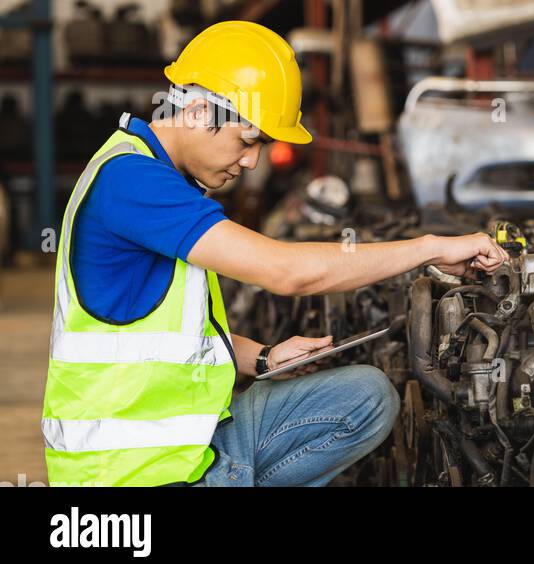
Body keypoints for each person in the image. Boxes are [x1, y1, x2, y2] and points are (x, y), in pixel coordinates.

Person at [41, 21, 508, 487]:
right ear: (200, 111)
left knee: (366, 395)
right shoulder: (133, 181)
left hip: (191, 447)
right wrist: (427, 249)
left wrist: (263, 358)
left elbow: (163, 339)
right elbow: (287, 273)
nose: (251, 162)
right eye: (248, 140)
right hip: (134, 475)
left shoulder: (153, 175)